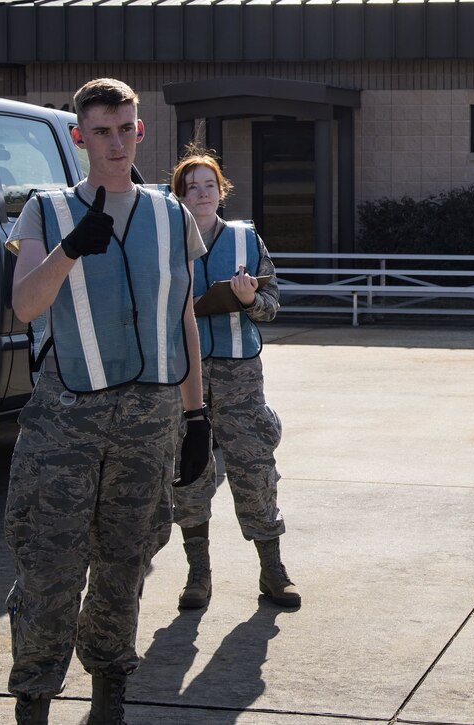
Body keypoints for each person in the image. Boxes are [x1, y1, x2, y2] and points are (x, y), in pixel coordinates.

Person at [3, 78, 211, 725]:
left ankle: (109, 681)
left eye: (126, 129)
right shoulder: (47, 210)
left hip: (149, 419)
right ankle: (35, 690)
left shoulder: (170, 215)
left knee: (126, 558)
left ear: (140, 130)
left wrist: (197, 414)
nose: (115, 142)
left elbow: (183, 319)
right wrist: (70, 249)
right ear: (79, 136)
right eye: (101, 131)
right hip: (66, 417)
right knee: (50, 557)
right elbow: (25, 304)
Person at [167, 147, 300, 611]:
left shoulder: (245, 240)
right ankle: (197, 574)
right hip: (185, 375)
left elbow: (272, 304)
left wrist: (247, 301)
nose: (201, 194)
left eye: (209, 185)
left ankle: (273, 570)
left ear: (221, 191)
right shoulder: (165, 240)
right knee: (189, 473)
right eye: (191, 187)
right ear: (178, 195)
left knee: (255, 469)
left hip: (240, 375)